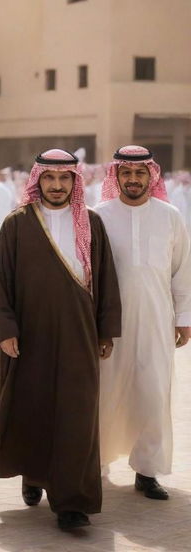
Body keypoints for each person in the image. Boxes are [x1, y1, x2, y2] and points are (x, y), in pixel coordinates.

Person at [0, 149, 121, 530]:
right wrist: (7, 329)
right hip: (29, 333)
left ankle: (72, 502)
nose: (57, 186)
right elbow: (1, 282)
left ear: (74, 182)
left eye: (65, 179)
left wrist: (106, 330)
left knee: (77, 414)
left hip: (79, 332)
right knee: (33, 405)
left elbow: (107, 279)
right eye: (50, 178)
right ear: (38, 181)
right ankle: (34, 475)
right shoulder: (16, 224)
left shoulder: (91, 223)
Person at [95, 146, 191, 500]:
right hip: (108, 323)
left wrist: (184, 318)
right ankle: (97, 463)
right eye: (126, 173)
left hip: (156, 319)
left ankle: (147, 471)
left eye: (140, 173)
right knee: (104, 393)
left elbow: (183, 271)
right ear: (116, 176)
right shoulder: (98, 216)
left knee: (152, 394)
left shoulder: (170, 216)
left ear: (151, 176)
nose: (133, 179)